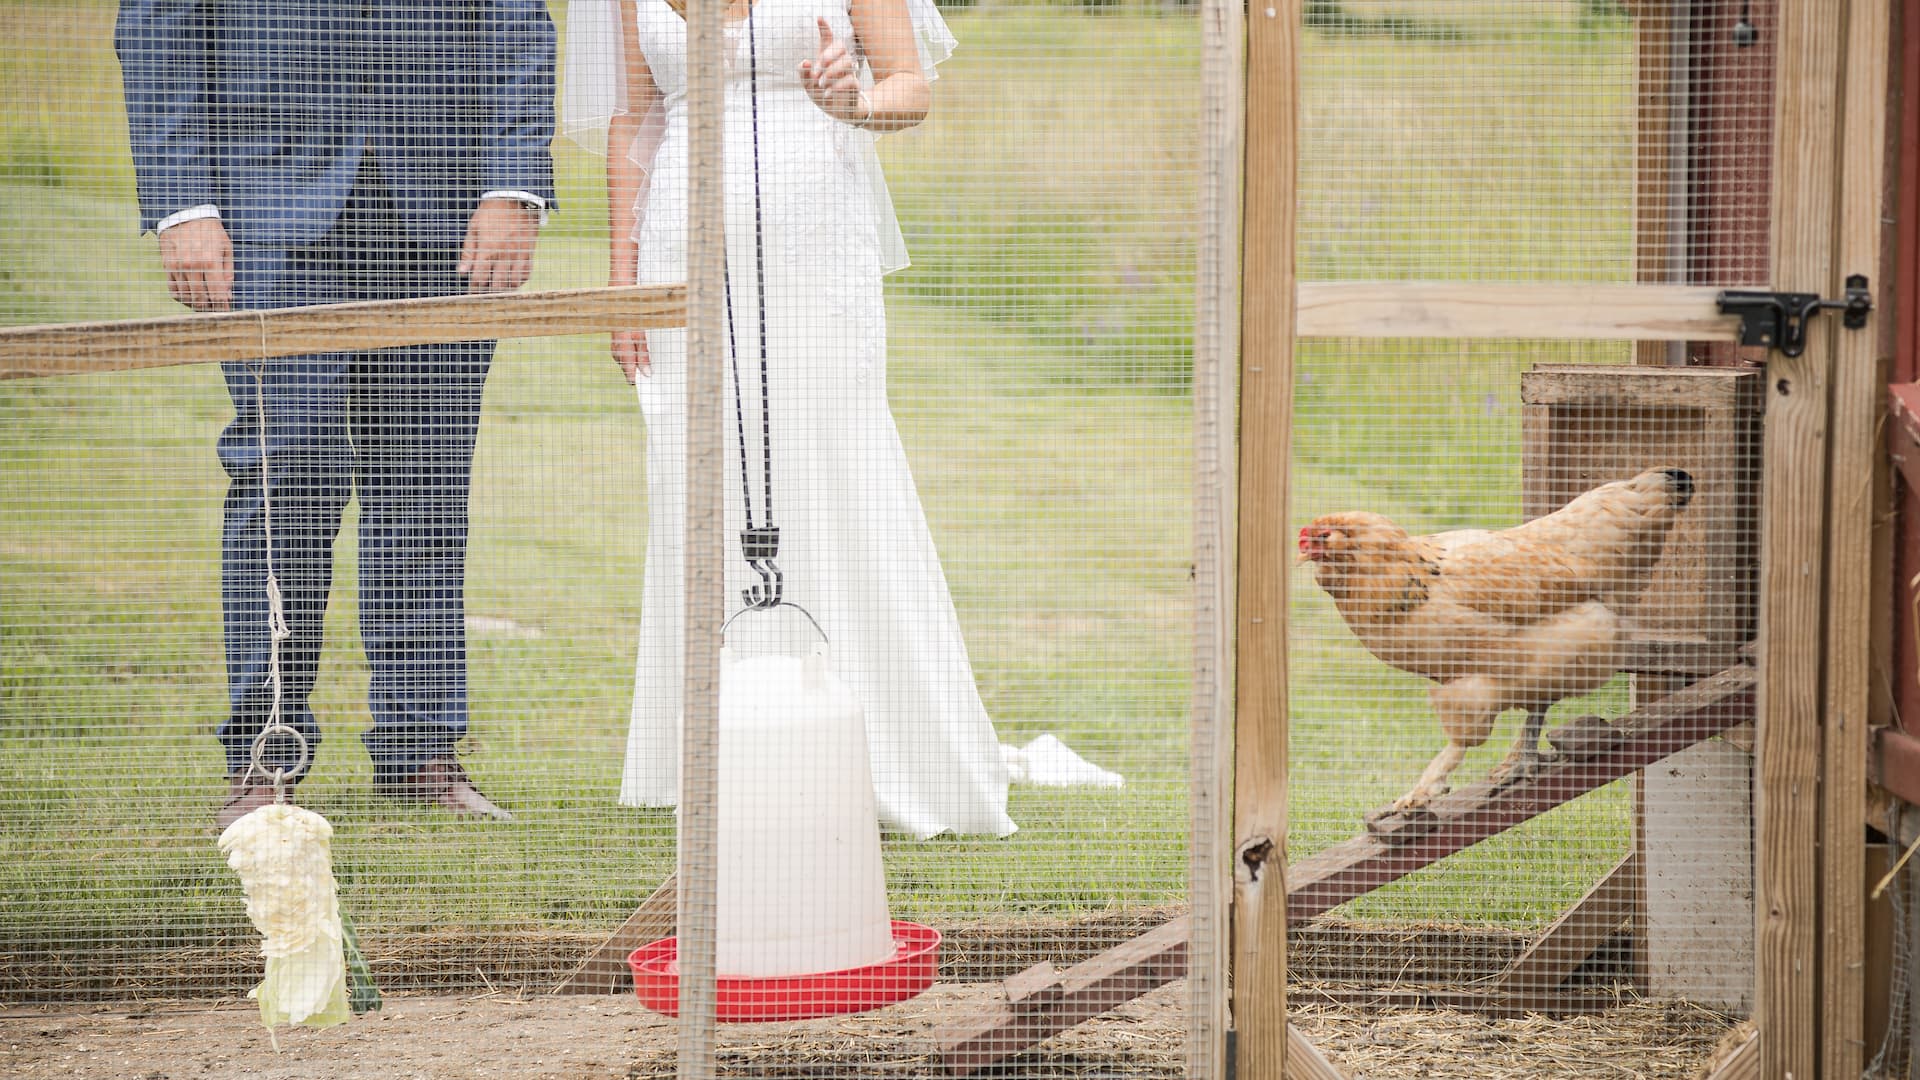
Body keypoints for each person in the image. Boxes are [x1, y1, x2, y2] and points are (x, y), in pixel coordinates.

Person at [563, 0, 1016, 838]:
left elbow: (910, 84)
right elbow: (638, 117)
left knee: (832, 466)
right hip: (679, 244)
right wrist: (624, 277)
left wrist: (854, 104)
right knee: (697, 478)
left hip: (815, 237)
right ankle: (713, 752)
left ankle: (865, 741)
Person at [115, 1, 559, 830]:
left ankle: (420, 752)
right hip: (268, 214)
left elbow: (518, 22)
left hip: (447, 211)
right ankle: (264, 756)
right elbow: (157, 22)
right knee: (287, 484)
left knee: (426, 490)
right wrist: (182, 203)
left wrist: (513, 183)